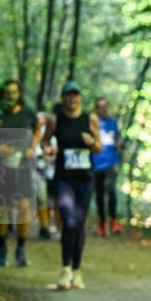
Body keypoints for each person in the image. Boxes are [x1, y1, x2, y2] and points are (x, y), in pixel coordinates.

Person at [42, 81, 102, 290]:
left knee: (78, 224)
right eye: (68, 95)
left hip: (85, 179)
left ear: (80, 98)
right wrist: (48, 149)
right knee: (68, 221)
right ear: (63, 98)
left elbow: (99, 147)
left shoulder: (90, 119)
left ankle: (77, 271)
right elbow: (44, 141)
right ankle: (65, 268)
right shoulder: (55, 119)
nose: (72, 99)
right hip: (64, 178)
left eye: (75, 95)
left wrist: (92, 142)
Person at [0, 80, 39, 267]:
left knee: (23, 206)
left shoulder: (28, 112)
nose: (10, 96)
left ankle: (21, 248)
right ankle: (1, 248)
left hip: (22, 166)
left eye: (14, 92)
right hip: (0, 167)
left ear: (19, 94)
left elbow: (37, 129)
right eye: (7, 93)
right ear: (2, 94)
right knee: (3, 209)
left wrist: (32, 147)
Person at [92, 98, 123, 237]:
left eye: (105, 106)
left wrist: (119, 144)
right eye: (100, 107)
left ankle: (114, 221)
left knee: (111, 190)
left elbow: (118, 138)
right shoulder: (93, 123)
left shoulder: (113, 122)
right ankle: (102, 223)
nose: (103, 109)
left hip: (112, 162)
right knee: (99, 194)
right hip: (96, 163)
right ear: (96, 109)